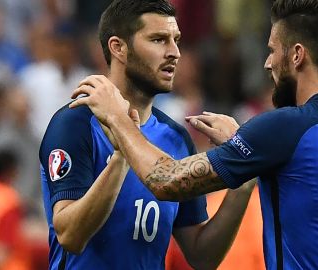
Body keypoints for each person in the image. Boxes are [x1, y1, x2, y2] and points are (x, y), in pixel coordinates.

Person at [71, 0, 318, 269]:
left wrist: (119, 119)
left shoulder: (287, 126)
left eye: (273, 50)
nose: (267, 63)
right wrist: (244, 148)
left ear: (297, 54)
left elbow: (166, 180)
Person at [39, 0, 255, 269]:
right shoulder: (75, 124)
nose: (174, 52)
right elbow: (70, 236)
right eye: (158, 40)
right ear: (118, 47)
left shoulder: (176, 137)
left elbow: (202, 255)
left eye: (176, 40)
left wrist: (243, 183)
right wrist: (121, 156)